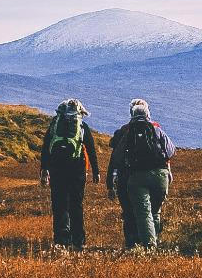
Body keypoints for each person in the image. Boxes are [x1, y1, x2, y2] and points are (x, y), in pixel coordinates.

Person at [108, 98, 176, 248]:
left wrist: (113, 180)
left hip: (136, 177)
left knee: (142, 212)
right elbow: (171, 150)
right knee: (155, 211)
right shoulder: (156, 129)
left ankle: (146, 245)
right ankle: (155, 239)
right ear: (148, 113)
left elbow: (116, 157)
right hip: (160, 176)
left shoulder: (127, 131)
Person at [39, 98, 100, 249]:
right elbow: (91, 150)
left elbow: (46, 148)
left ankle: (61, 240)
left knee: (59, 204)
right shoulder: (82, 126)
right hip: (76, 170)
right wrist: (96, 171)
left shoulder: (55, 125)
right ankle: (78, 240)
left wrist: (44, 169)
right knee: (76, 205)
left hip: (57, 169)